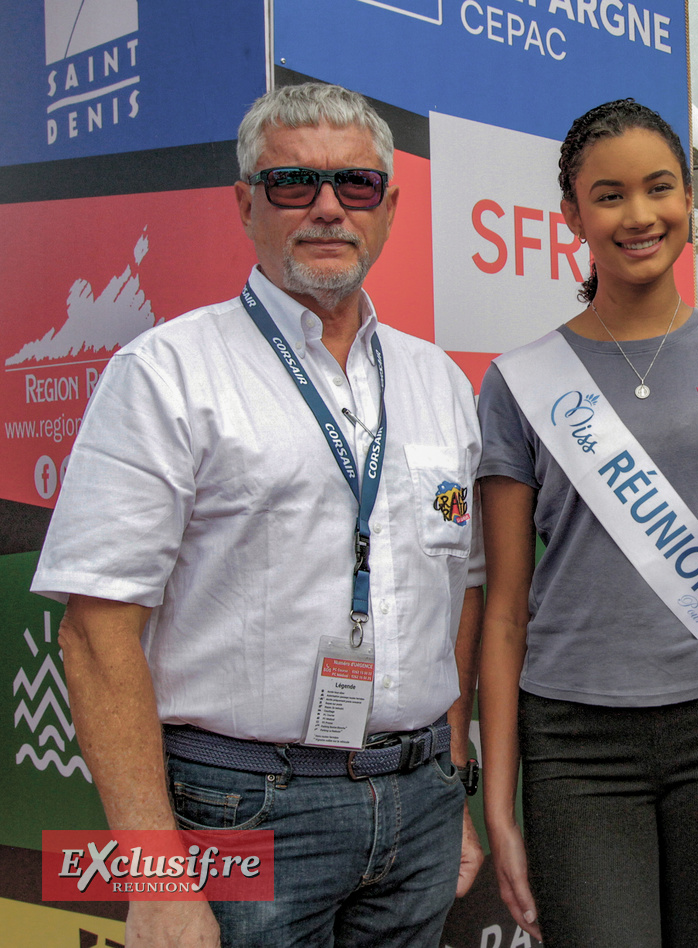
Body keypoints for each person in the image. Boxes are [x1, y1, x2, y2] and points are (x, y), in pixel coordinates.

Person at [33, 82, 484, 946]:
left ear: (388, 208)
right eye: (291, 183)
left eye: (354, 185)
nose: (326, 208)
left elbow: (453, 598)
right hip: (243, 808)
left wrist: (445, 784)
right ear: (244, 204)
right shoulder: (166, 373)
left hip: (420, 804)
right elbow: (95, 634)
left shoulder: (438, 384)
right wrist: (157, 876)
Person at [476, 98, 698, 948]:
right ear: (572, 214)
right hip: (575, 742)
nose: (639, 215)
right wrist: (498, 805)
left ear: (690, 201)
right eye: (609, 195)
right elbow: (507, 610)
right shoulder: (518, 384)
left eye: (659, 189)